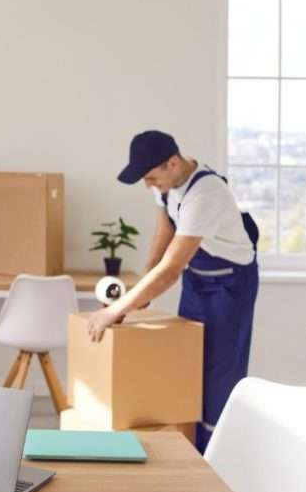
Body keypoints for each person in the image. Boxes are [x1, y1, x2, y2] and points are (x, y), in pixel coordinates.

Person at [86, 130, 259, 453]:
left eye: (151, 177)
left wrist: (116, 309)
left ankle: (217, 460)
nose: (148, 185)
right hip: (198, 277)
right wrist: (142, 284)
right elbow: (166, 231)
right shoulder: (166, 186)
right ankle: (189, 452)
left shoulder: (205, 195)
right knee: (188, 362)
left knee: (218, 375)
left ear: (173, 163)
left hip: (230, 284)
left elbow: (171, 270)